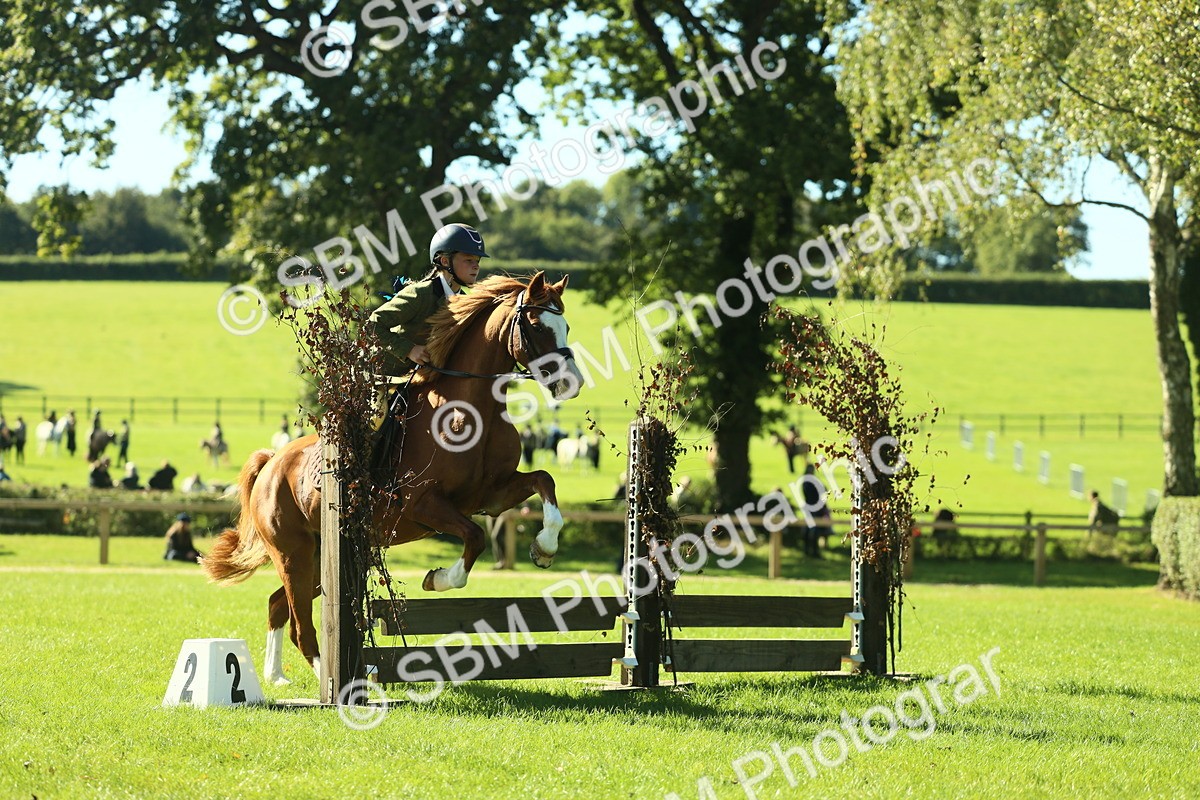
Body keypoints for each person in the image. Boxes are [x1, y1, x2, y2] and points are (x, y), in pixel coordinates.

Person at [366, 223, 488, 475]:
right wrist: (408, 349)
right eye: (468, 260)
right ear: (445, 261)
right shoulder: (420, 294)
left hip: (425, 381)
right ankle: (358, 475)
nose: (476, 266)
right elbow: (373, 325)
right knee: (376, 419)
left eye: (477, 260)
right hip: (388, 376)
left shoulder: (464, 302)